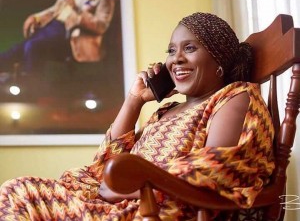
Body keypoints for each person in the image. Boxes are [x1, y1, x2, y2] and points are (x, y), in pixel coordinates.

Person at [0, 12, 275, 220]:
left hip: (156, 211)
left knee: (19, 193)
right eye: (171, 50)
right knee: (18, 192)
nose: (175, 59)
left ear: (219, 60)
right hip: (123, 203)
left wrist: (122, 189)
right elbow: (106, 163)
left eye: (189, 48)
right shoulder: (167, 110)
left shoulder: (233, 97)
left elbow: (214, 169)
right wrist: (134, 101)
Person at [0, 0, 115, 75]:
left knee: (32, 46)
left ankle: (29, 83)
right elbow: (55, 8)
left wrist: (76, 9)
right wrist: (36, 17)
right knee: (17, 49)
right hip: (52, 25)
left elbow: (101, 26)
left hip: (70, 34)